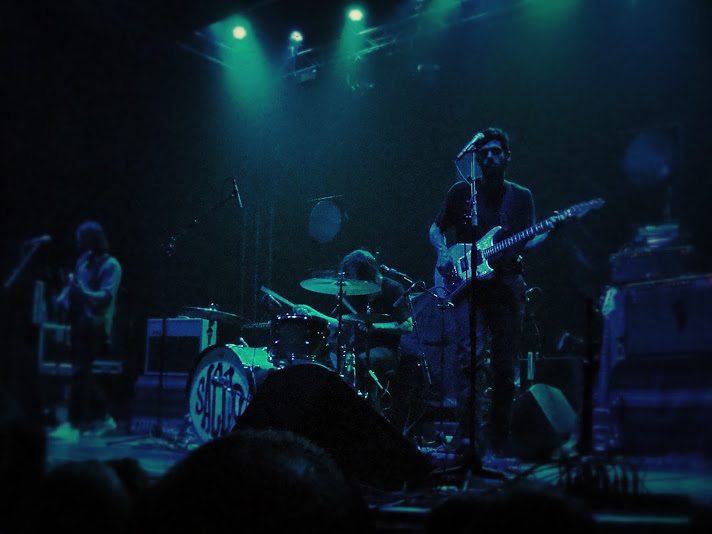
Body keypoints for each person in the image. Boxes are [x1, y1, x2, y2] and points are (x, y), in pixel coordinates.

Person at [429, 127, 535, 457]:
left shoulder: (520, 196)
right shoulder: (462, 191)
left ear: (507, 157)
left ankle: (498, 438)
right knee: (467, 360)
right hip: (468, 287)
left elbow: (529, 239)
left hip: (506, 286)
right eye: (483, 152)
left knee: (504, 364)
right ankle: (467, 436)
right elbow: (435, 228)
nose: (489, 157)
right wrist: (443, 254)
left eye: (495, 152)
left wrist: (552, 229)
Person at [296, 249, 413, 416]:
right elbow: (340, 324)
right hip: (356, 348)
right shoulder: (356, 292)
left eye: (355, 277)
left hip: (387, 349)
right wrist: (313, 313)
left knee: (362, 360)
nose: (352, 281)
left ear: (367, 274)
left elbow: (408, 326)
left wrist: (376, 327)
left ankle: (371, 411)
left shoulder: (393, 288)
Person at [49, 221, 121, 439]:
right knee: (82, 373)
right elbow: (74, 288)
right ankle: (103, 417)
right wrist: (61, 299)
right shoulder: (82, 261)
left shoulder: (111, 265)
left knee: (80, 372)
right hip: (79, 324)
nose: (78, 243)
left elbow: (105, 297)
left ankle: (74, 425)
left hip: (96, 326)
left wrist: (83, 293)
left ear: (92, 239)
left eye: (81, 238)